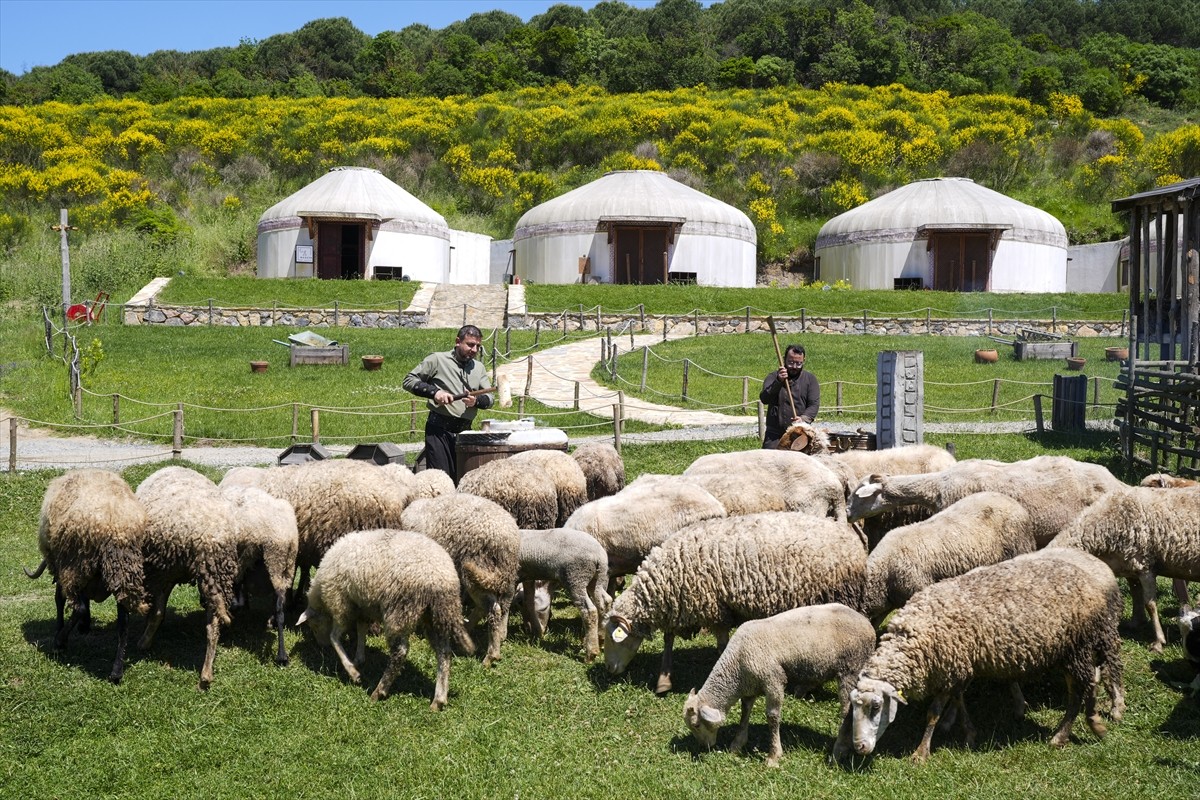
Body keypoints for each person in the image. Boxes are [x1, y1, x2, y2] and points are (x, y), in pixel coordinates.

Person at [403, 324, 493, 481]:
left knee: (464, 481)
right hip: (439, 432)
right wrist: (435, 392)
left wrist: (476, 401)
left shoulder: (479, 367)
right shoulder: (437, 359)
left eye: (478, 346)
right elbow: (409, 380)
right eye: (470, 345)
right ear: (458, 341)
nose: (474, 350)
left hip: (465, 434)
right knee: (441, 481)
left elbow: (490, 399)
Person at [759, 343, 819, 449]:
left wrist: (803, 419)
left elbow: (814, 405)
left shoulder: (810, 379)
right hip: (774, 436)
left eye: (798, 363)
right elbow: (764, 399)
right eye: (791, 363)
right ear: (784, 360)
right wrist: (778, 381)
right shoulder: (773, 377)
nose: (794, 367)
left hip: (800, 435)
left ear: (803, 360)